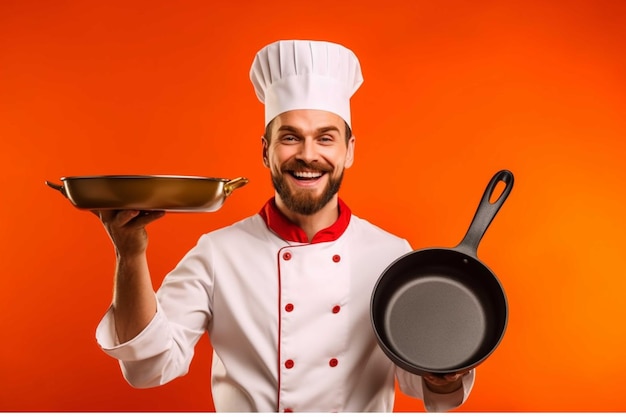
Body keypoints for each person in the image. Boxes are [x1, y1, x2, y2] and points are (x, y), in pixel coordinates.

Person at [94, 39, 476, 412]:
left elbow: (419, 380)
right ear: (265, 150)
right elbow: (149, 366)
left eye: (325, 138)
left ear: (350, 150)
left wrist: (443, 374)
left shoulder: (391, 255)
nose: (308, 155)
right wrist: (130, 254)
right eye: (290, 137)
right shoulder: (218, 253)